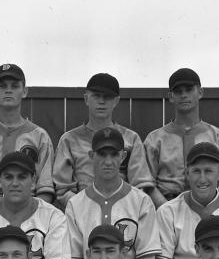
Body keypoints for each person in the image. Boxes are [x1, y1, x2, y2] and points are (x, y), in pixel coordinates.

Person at [66, 127, 159, 259]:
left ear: (123, 156)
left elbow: (146, 258)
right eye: (102, 154)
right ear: (91, 156)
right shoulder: (75, 204)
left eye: (114, 154)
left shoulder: (141, 201)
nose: (108, 161)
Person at [53, 73, 160, 207]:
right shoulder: (69, 140)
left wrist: (120, 208)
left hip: (123, 210)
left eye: (107, 97)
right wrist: (84, 208)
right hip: (81, 211)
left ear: (116, 101)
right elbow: (63, 189)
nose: (101, 101)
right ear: (86, 99)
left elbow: (139, 186)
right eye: (96, 96)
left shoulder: (131, 139)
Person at [0, 63, 55, 207]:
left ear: (25, 91)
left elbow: (45, 189)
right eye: (2, 86)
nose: (8, 90)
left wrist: (31, 215)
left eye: (14, 86)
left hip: (30, 209)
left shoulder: (39, 136)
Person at [144, 68, 219, 200]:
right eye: (178, 91)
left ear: (200, 92)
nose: (183, 95)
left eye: (189, 89)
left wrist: (215, 207)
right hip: (167, 204)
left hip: (210, 205)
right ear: (170, 97)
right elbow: (148, 184)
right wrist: (166, 210)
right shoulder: (155, 139)